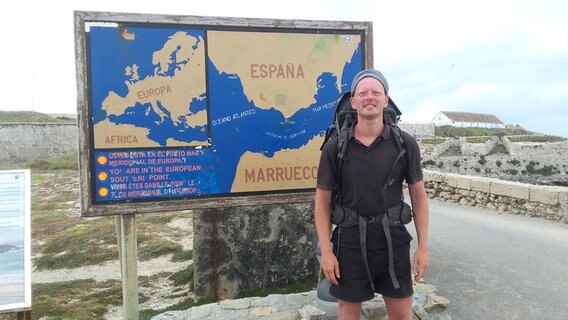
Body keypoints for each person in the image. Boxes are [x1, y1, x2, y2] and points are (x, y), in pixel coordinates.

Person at [314, 68, 429, 320]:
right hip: (349, 241)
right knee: (347, 312)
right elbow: (321, 203)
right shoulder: (335, 147)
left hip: (393, 239)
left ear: (385, 100)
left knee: (401, 312)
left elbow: (418, 197)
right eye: (363, 92)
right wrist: (327, 251)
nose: (370, 97)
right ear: (353, 101)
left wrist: (423, 247)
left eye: (376, 92)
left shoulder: (405, 143)